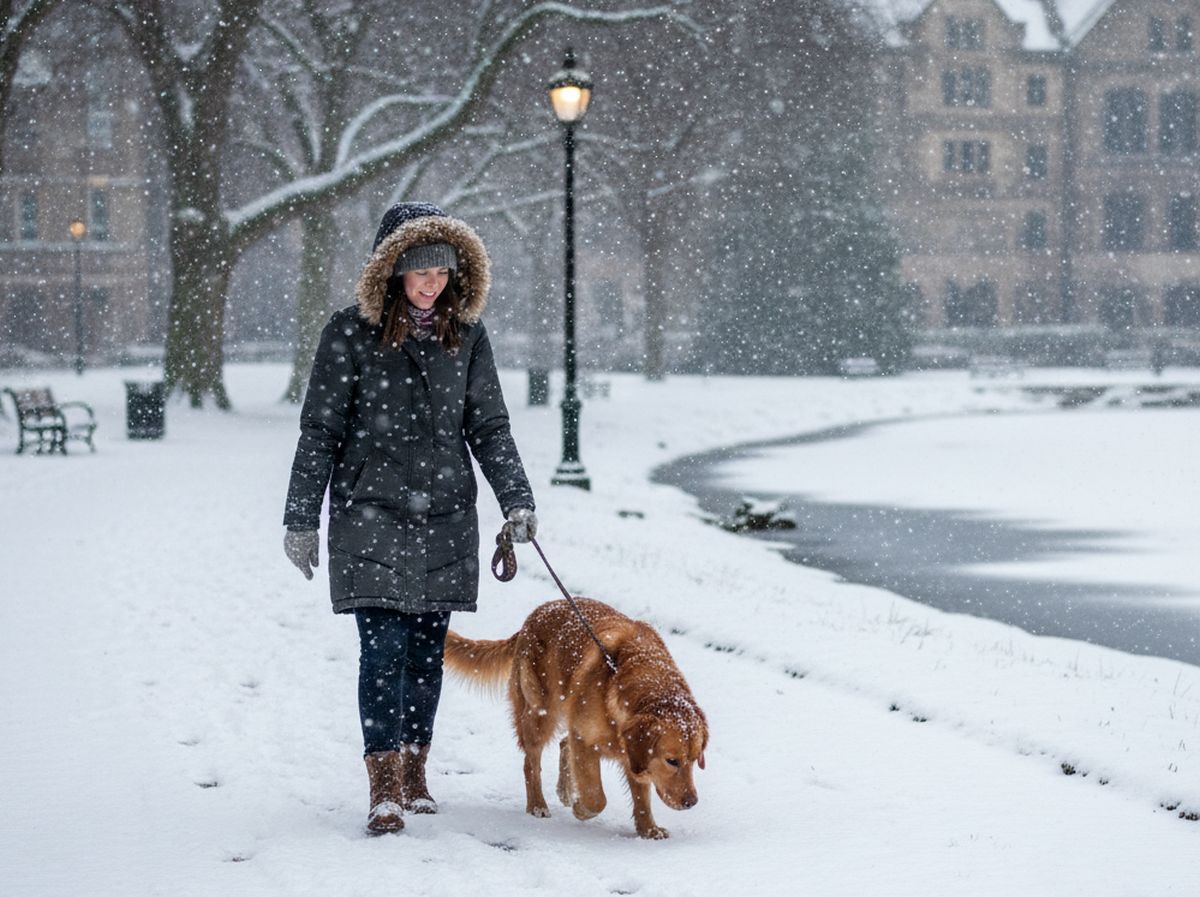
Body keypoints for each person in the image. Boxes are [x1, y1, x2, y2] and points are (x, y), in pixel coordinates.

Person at [282, 201, 537, 834]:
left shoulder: (467, 335)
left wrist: (517, 499)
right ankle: (385, 787)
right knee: (382, 651)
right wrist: (301, 517)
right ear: (392, 270)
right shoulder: (349, 332)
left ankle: (416, 770)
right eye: (420, 271)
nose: (432, 284)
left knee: (426, 653)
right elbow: (320, 430)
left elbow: (489, 425)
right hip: (368, 513)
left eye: (443, 272)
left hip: (444, 515)